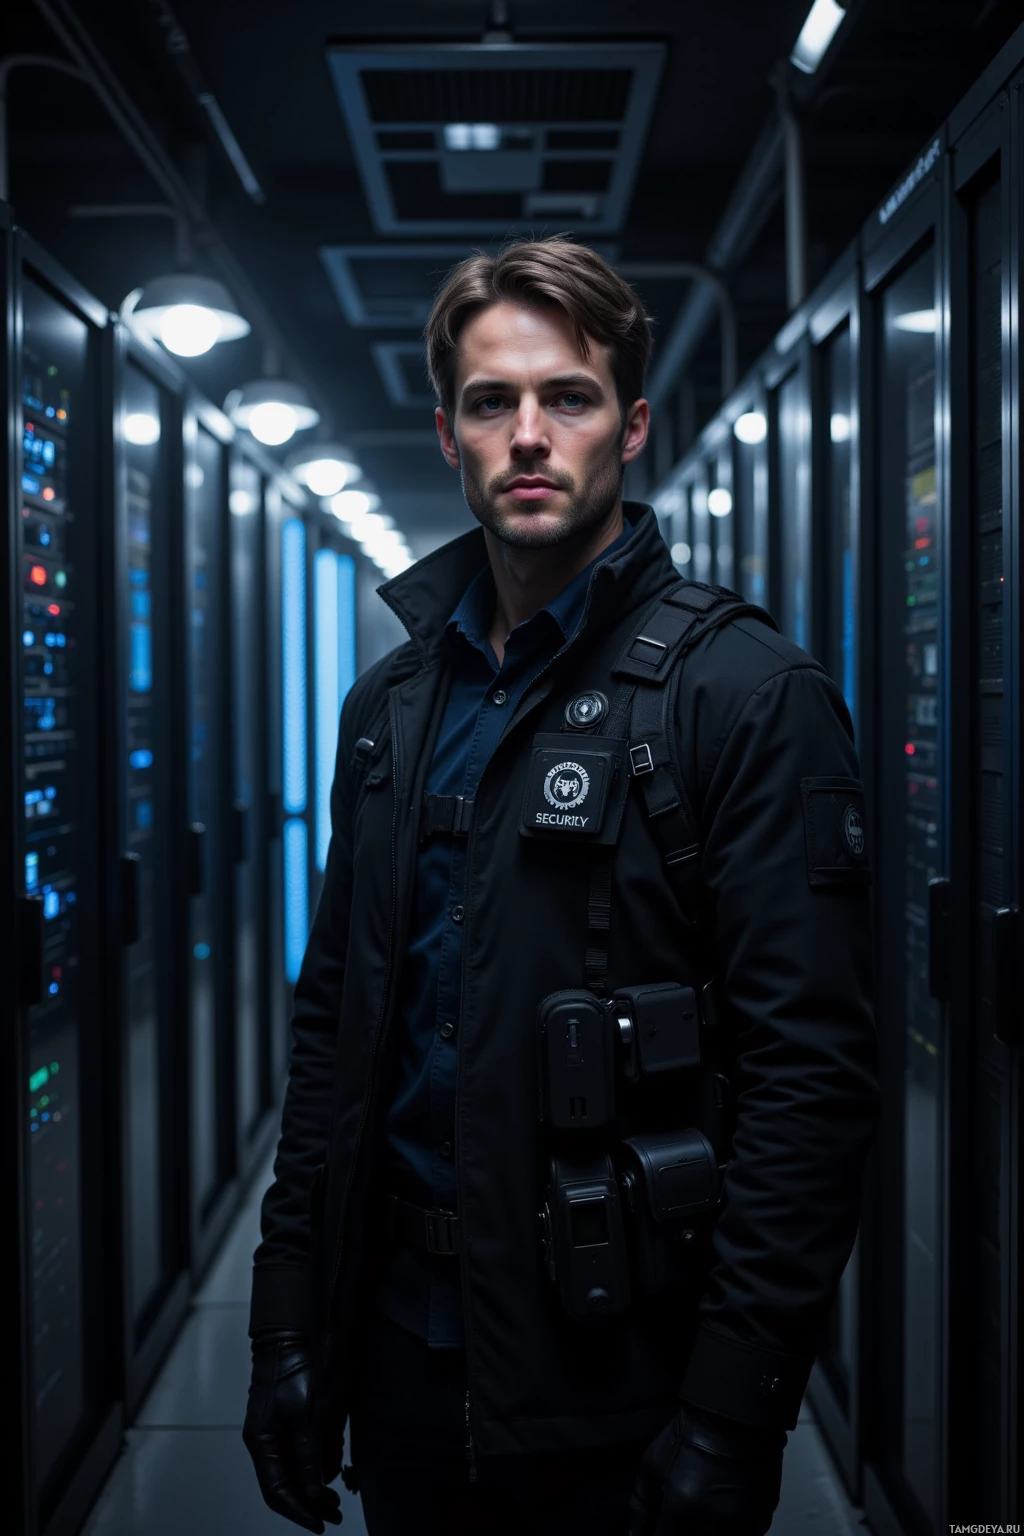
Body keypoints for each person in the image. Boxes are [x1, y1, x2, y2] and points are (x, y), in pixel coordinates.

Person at [243, 236, 879, 1536]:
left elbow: (809, 1090)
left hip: (624, 1380)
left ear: (631, 426)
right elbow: (335, 1042)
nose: (529, 434)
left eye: (568, 398)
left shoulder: (747, 697)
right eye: (492, 402)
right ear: (448, 434)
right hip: (405, 1364)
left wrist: (730, 1410)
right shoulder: (391, 706)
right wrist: (288, 1325)